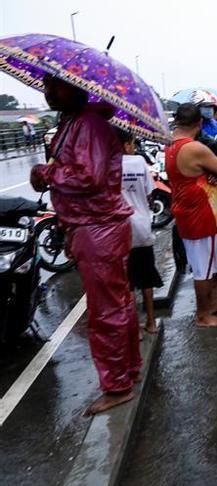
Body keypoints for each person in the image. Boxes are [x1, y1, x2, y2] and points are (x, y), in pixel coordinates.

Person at [30, 75, 141, 416]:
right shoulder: (75, 122)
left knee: (106, 311)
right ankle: (128, 369)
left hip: (98, 229)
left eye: (55, 87)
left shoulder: (89, 125)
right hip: (92, 227)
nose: (48, 93)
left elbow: (87, 178)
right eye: (46, 86)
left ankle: (117, 385)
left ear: (75, 88)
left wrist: (45, 174)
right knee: (118, 303)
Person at [165, 103, 217, 327]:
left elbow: (191, 173)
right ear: (200, 123)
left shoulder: (171, 145)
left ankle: (212, 304)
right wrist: (212, 171)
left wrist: (205, 172)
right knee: (203, 268)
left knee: (207, 263)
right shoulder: (194, 148)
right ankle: (203, 315)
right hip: (199, 213)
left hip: (186, 210)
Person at [118, 130, 163, 335]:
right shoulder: (139, 162)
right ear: (127, 145)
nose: (134, 147)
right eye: (133, 143)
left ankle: (134, 328)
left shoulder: (107, 165)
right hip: (142, 227)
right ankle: (151, 322)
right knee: (146, 277)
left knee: (127, 282)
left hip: (119, 231)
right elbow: (149, 193)